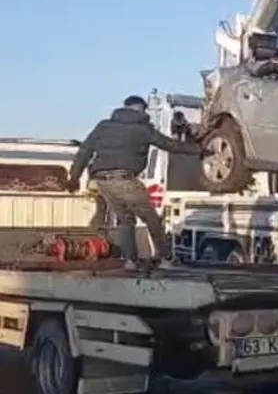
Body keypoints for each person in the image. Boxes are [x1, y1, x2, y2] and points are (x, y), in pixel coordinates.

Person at [68, 95, 204, 269]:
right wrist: (199, 149)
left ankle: (131, 260)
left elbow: (84, 151)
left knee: (125, 220)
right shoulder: (143, 129)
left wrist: (74, 177)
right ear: (140, 108)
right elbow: (170, 145)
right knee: (152, 219)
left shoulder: (103, 126)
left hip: (102, 181)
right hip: (124, 179)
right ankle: (166, 258)